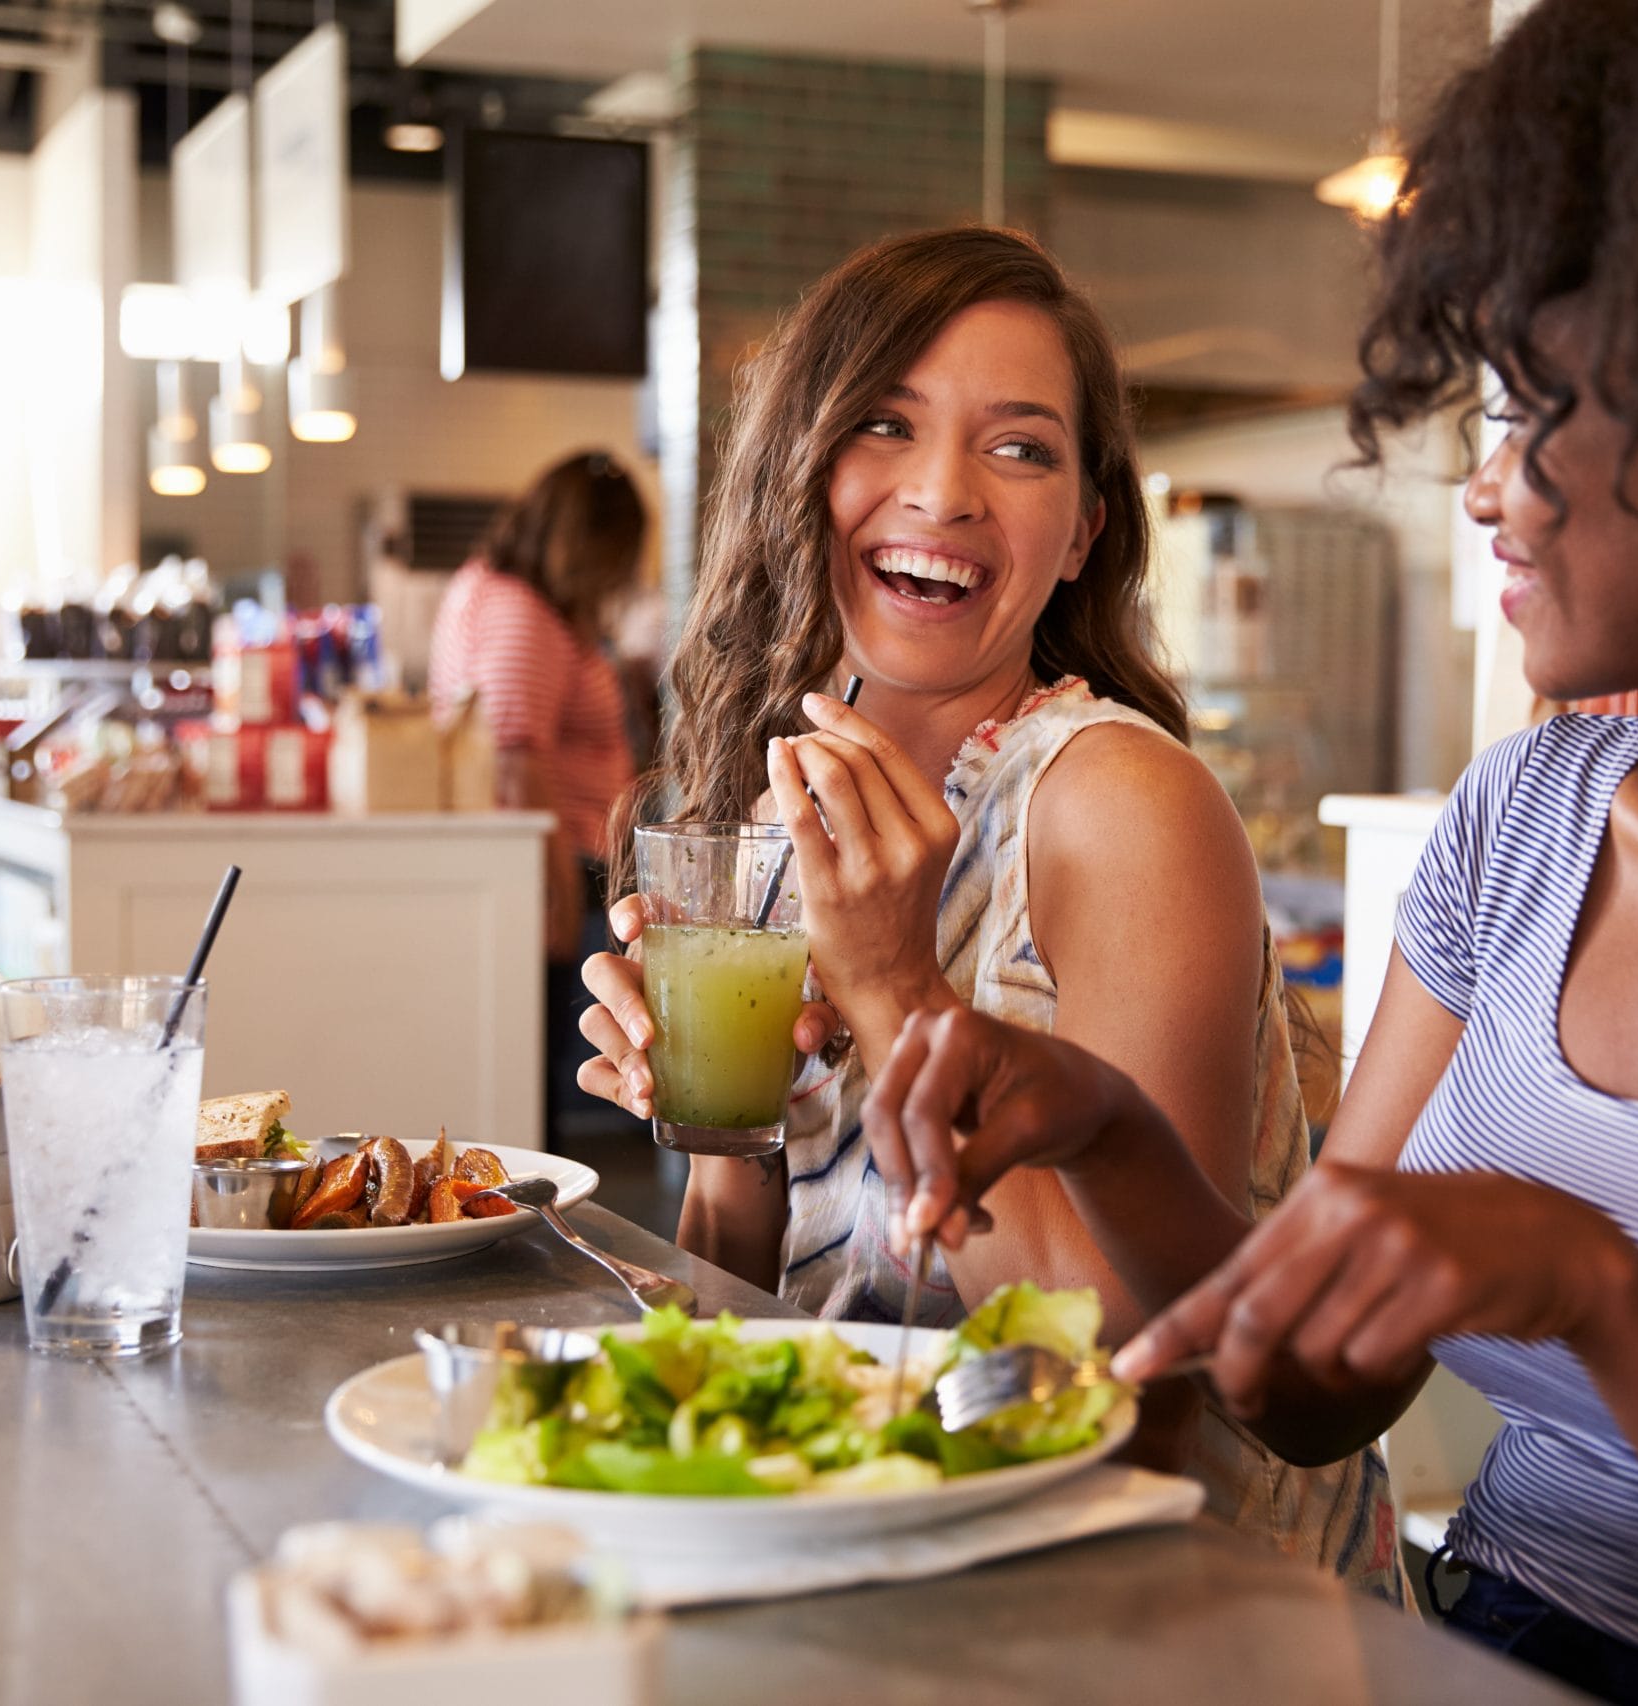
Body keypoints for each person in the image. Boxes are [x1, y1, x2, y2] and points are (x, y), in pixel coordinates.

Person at [857, 2, 1638, 1701]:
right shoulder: (1531, 813)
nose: (1481, 492)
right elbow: (1305, 1386)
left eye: (1529, 406)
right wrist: (1110, 1128)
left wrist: (1599, 1292)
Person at [573, 227, 1402, 1595]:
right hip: (880, 1564)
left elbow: (1131, 1371)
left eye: (1018, 448)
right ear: (802, 471)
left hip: (1169, 1605)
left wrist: (901, 993)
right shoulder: (777, 814)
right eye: (885, 425)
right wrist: (724, 1123)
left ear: (1082, 532)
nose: (944, 492)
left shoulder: (1119, 801)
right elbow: (765, 1305)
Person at [428, 450, 647, 1134]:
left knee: (540, 1069)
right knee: (540, 1077)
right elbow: (520, 759)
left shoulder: (496, 592)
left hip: (554, 869)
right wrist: (552, 899)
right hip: (552, 874)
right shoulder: (521, 612)